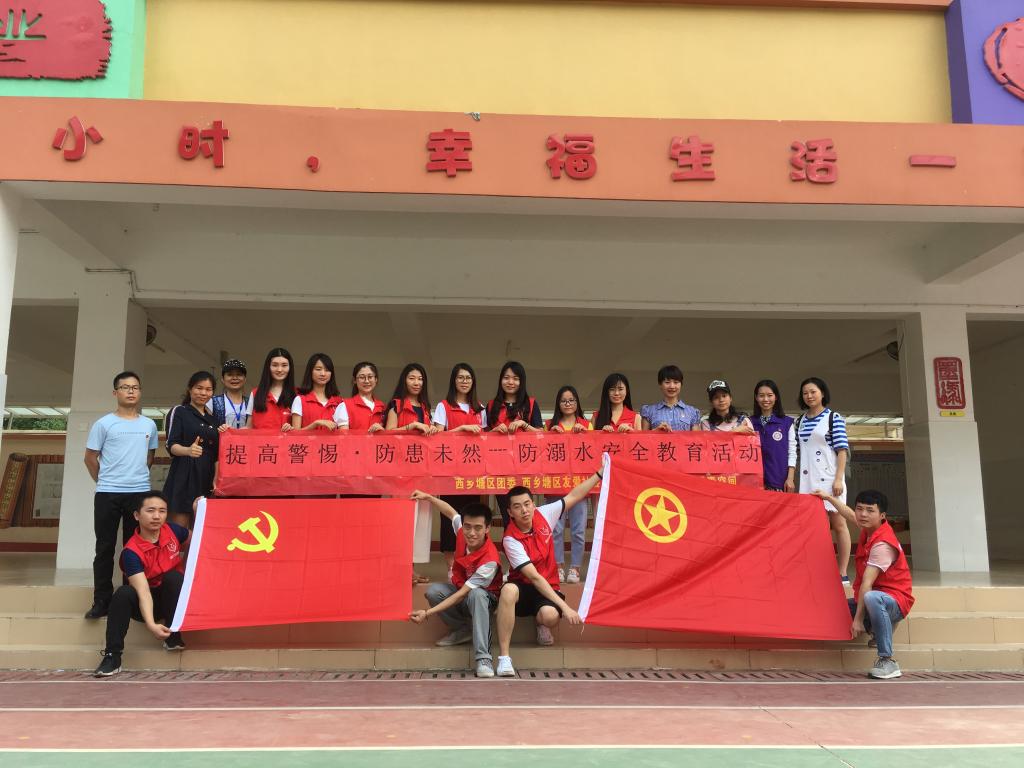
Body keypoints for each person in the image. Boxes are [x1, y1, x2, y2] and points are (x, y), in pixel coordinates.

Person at [495, 470, 603, 677]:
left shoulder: (544, 514)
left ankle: (541, 623)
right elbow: (534, 577)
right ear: (510, 512)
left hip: (548, 586)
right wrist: (566, 608)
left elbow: (574, 496)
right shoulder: (510, 539)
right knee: (508, 590)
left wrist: (599, 474)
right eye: (517, 507)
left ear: (533, 504)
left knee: (550, 617)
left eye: (527, 504)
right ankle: (504, 658)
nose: (524, 510)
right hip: (524, 587)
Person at [814, 489, 914, 680]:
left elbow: (867, 584)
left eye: (870, 510)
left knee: (872, 597)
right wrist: (828, 498)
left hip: (894, 601)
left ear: (882, 516)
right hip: (873, 598)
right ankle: (876, 627)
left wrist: (858, 620)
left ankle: (887, 660)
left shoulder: (882, 544)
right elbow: (848, 514)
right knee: (835, 608)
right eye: (860, 509)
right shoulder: (868, 529)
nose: (863, 514)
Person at [83, 371, 159, 620]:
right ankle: (101, 600)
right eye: (125, 387)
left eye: (135, 387)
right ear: (115, 392)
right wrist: (105, 481)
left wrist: (134, 478)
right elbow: (90, 458)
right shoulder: (104, 424)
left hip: (138, 494)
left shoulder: (149, 425)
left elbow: (149, 458)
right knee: (104, 547)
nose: (130, 391)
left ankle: (131, 599)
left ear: (140, 392)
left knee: (134, 548)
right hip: (108, 493)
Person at [93, 491, 188, 677]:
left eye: (162, 511)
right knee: (123, 593)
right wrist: (152, 625)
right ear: (137, 515)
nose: (156, 516)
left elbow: (199, 540)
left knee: (174, 577)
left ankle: (174, 635)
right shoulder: (131, 552)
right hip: (146, 604)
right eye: (150, 511)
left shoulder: (173, 531)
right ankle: (113, 656)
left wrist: (197, 510)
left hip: (172, 599)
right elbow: (143, 592)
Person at [409, 492, 502, 678]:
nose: (471, 533)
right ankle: (462, 629)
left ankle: (484, 658)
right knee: (434, 591)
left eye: (478, 528)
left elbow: (462, 595)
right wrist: (429, 498)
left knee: (476, 594)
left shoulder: (490, 560)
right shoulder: (462, 531)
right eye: (467, 527)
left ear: (487, 528)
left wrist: (427, 613)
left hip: (485, 601)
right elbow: (450, 512)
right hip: (463, 592)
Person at [432, 363, 487, 574]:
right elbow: (437, 436)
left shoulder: (479, 408)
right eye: (460, 377)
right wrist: (461, 429)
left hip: (473, 472)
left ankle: (471, 561)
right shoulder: (443, 406)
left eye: (468, 378)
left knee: (471, 517)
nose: (464, 381)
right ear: (454, 381)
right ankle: (451, 565)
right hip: (450, 471)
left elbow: (485, 438)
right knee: (449, 519)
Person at [797, 376, 852, 584]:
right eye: (805, 393)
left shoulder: (833, 418)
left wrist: (838, 479)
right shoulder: (799, 421)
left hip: (830, 478)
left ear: (822, 393)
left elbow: (842, 450)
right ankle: (822, 570)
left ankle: (842, 571)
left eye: (813, 391)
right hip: (808, 479)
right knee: (816, 528)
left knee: (839, 524)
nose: (809, 396)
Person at [486, 361, 543, 527]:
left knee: (524, 515)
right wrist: (494, 431)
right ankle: (510, 543)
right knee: (507, 516)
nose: (510, 382)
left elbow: (541, 435)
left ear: (521, 381)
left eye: (515, 378)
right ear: (500, 380)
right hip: (500, 469)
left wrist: (524, 424)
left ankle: (525, 544)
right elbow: (484, 437)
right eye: (506, 378)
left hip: (525, 468)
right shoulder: (492, 405)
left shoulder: (530, 404)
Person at [162, 371, 219, 528]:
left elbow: (217, 455)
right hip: (184, 474)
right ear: (190, 389)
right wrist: (187, 450)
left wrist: (216, 478)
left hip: (207, 476)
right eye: (199, 388)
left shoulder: (213, 419)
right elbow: (171, 445)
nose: (203, 393)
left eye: (208, 389)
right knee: (180, 530)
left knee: (202, 529)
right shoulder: (179, 411)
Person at [547, 385, 591, 584]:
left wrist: (585, 435)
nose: (568, 404)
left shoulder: (587, 425)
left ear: (577, 402)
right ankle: (558, 566)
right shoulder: (549, 425)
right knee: (555, 530)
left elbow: (593, 451)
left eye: (571, 400)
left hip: (579, 487)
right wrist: (549, 436)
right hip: (555, 485)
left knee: (578, 530)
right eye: (564, 401)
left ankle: (575, 568)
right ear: (558, 404)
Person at [751, 379, 796, 492]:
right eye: (761, 395)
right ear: (756, 398)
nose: (766, 399)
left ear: (776, 397)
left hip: (780, 481)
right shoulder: (749, 422)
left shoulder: (787, 423)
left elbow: (792, 452)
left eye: (770, 395)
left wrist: (790, 478)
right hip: (754, 483)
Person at [246, 347, 296, 431]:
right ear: (268, 367)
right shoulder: (255, 393)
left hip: (287, 440)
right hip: (260, 440)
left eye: (284, 365)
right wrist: (230, 430)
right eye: (275, 365)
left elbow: (301, 430)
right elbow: (248, 427)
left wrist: (292, 430)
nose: (279, 369)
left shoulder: (297, 395)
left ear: (290, 368)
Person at [640, 364, 701, 432]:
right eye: (667, 382)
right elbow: (644, 437)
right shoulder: (649, 411)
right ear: (660, 384)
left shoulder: (692, 412)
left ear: (681, 384)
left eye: (676, 382)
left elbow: (696, 437)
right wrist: (656, 431)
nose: (672, 386)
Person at [291, 352, 342, 431]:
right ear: (310, 371)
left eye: (327, 370)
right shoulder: (300, 400)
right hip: (308, 440)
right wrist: (315, 424)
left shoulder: (339, 402)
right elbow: (294, 433)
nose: (323, 374)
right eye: (318, 369)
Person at [384, 363, 437, 434]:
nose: (416, 383)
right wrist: (413, 425)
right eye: (412, 378)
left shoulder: (425, 406)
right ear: (404, 381)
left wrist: (432, 428)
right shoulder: (396, 405)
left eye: (420, 379)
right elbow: (388, 433)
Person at [334, 361, 386, 432]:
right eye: (362, 377)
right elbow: (344, 436)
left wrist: (383, 431)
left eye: (370, 377)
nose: (366, 381)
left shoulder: (382, 407)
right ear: (354, 380)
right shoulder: (345, 405)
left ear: (376, 379)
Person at [210, 359, 249, 431]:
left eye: (239, 374)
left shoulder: (252, 403)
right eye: (230, 375)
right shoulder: (212, 402)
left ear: (245, 379)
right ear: (222, 379)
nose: (235, 378)